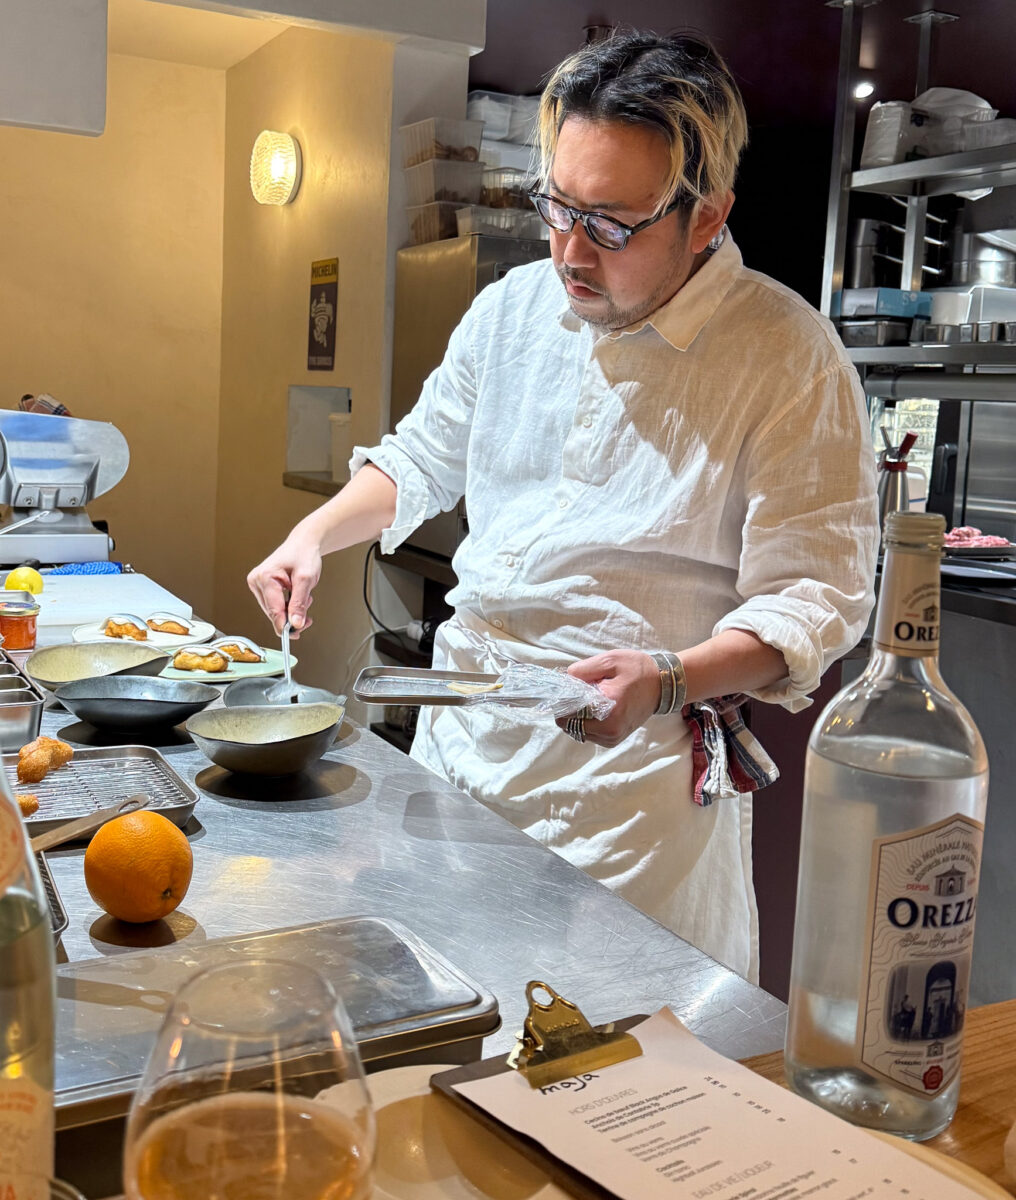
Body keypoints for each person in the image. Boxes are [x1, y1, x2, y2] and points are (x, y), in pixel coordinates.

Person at [247, 29, 878, 981]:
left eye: (612, 224)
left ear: (706, 217)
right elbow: (423, 456)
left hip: (627, 799)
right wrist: (315, 533)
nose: (570, 251)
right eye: (556, 205)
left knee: (608, 1081)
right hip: (459, 753)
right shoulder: (512, 308)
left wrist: (669, 676)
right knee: (446, 1037)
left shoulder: (787, 355)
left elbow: (816, 599)